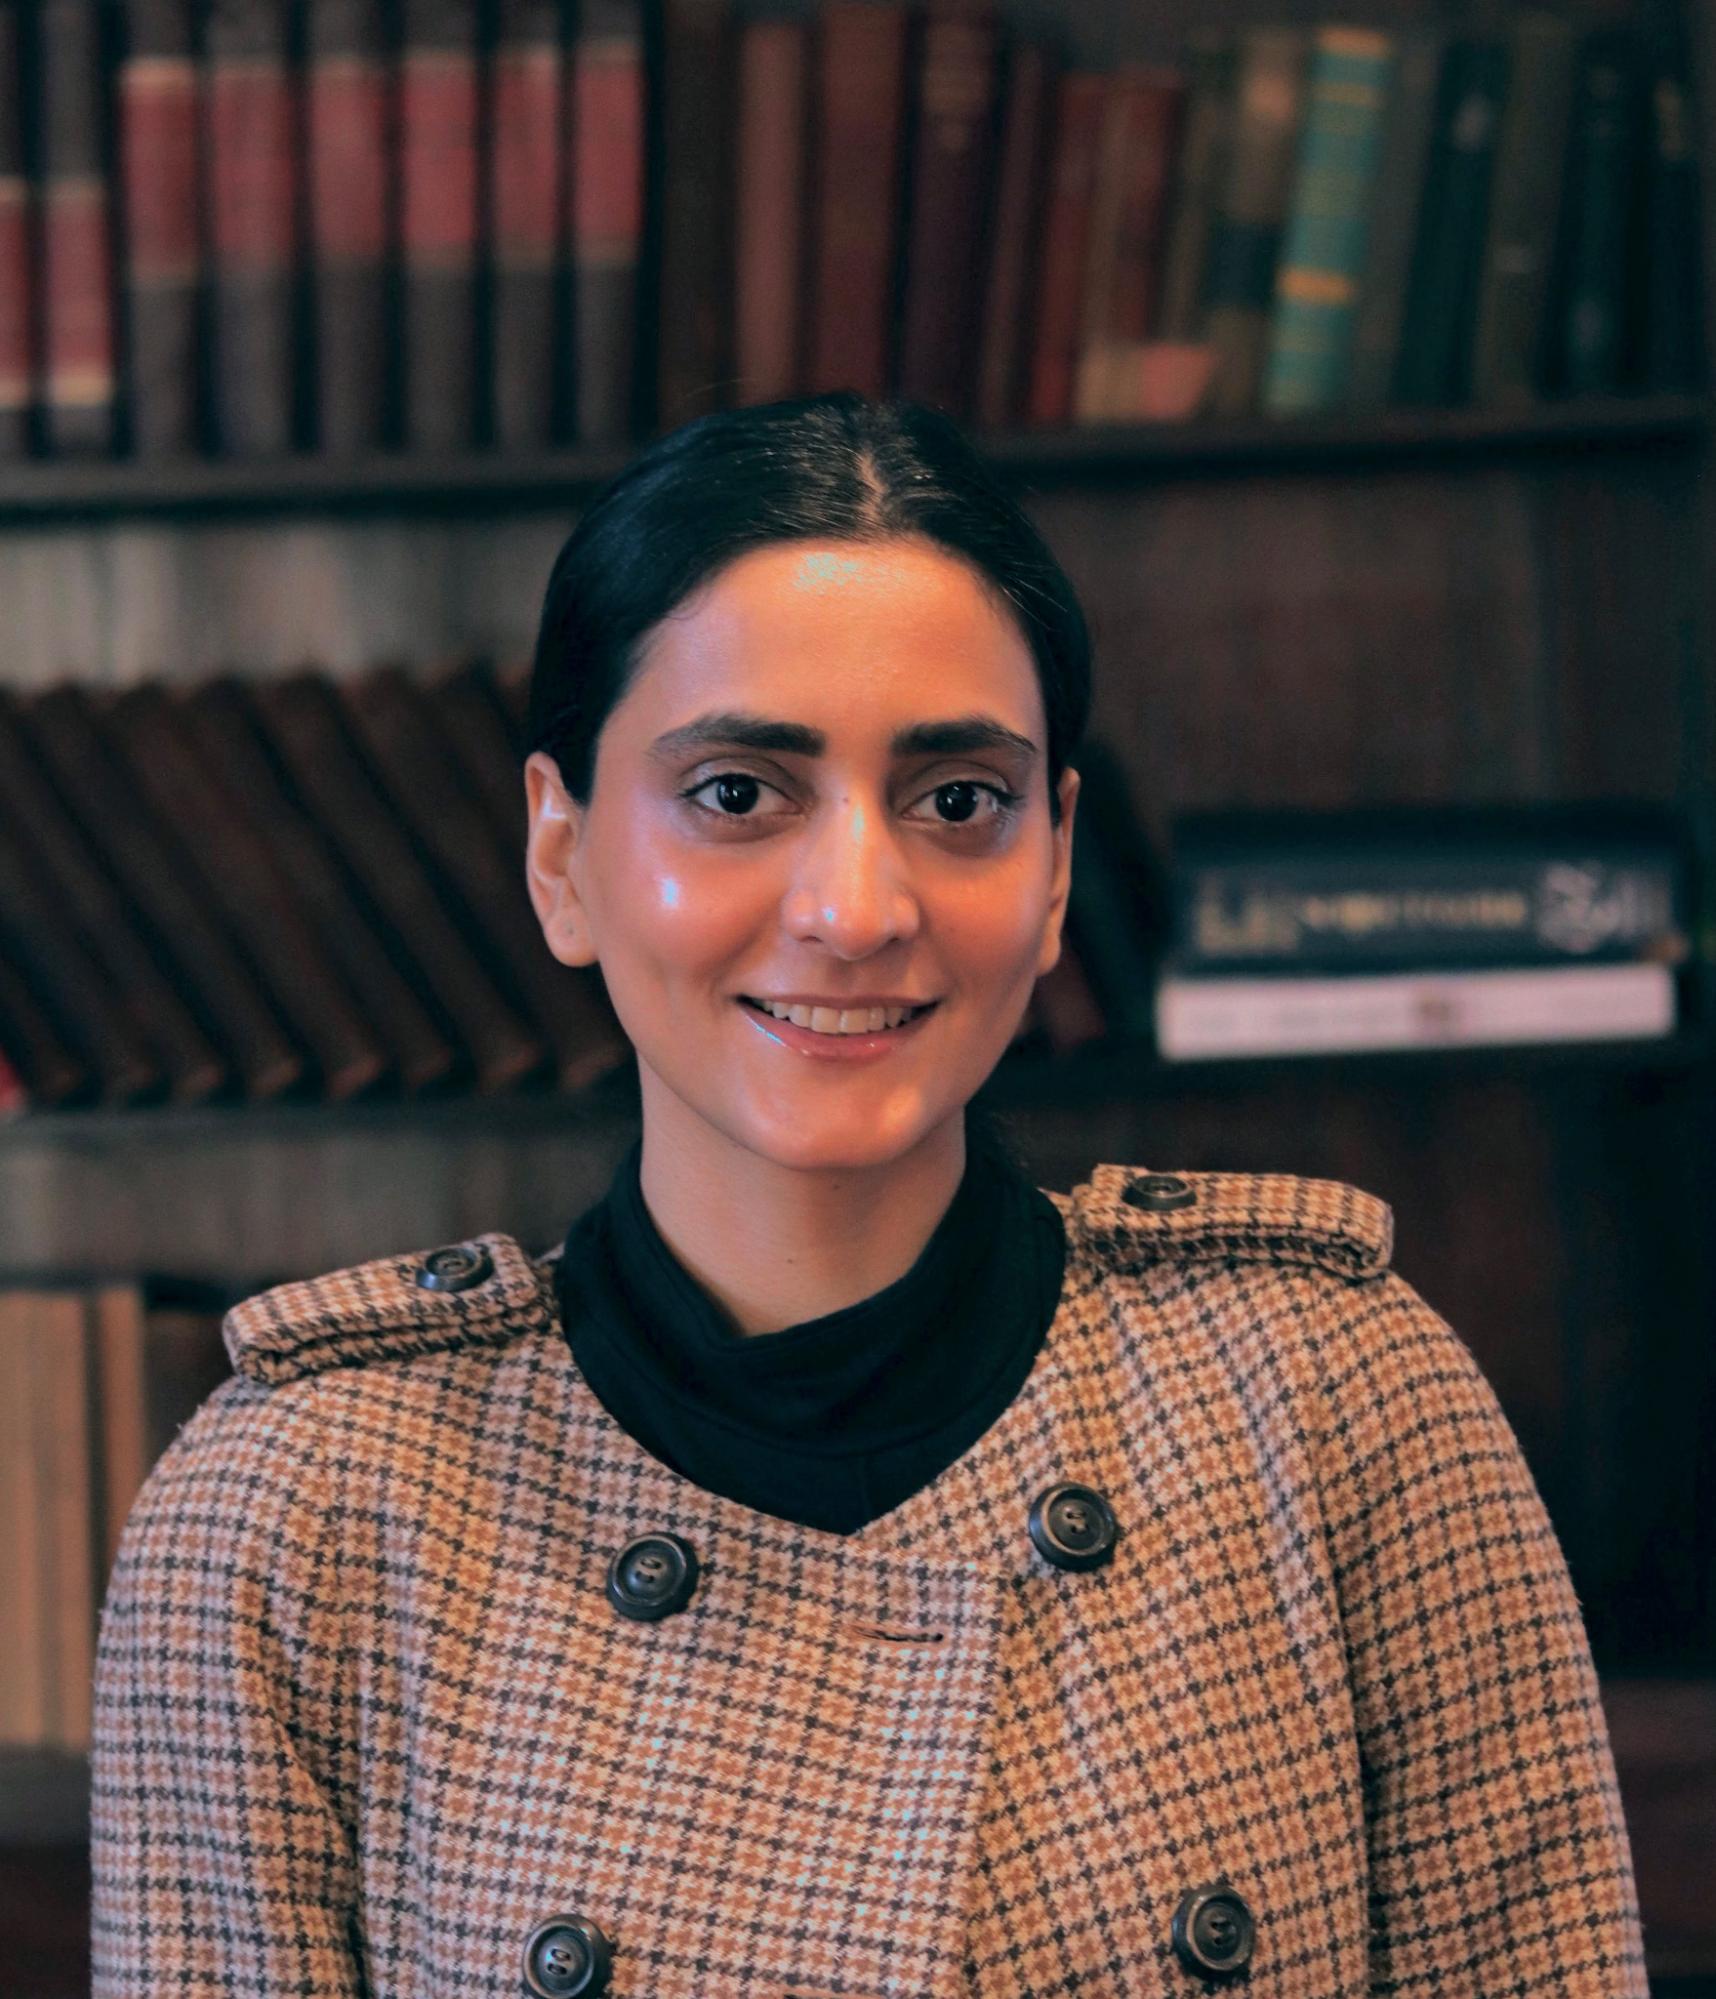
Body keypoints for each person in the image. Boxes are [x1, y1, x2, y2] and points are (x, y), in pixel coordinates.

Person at [90, 392, 1647, 1997]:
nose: (854, 907)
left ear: (1054, 870)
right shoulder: (296, 1510)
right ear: (562, 855)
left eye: (958, 800)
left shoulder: (1339, 1397)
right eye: (740, 794)